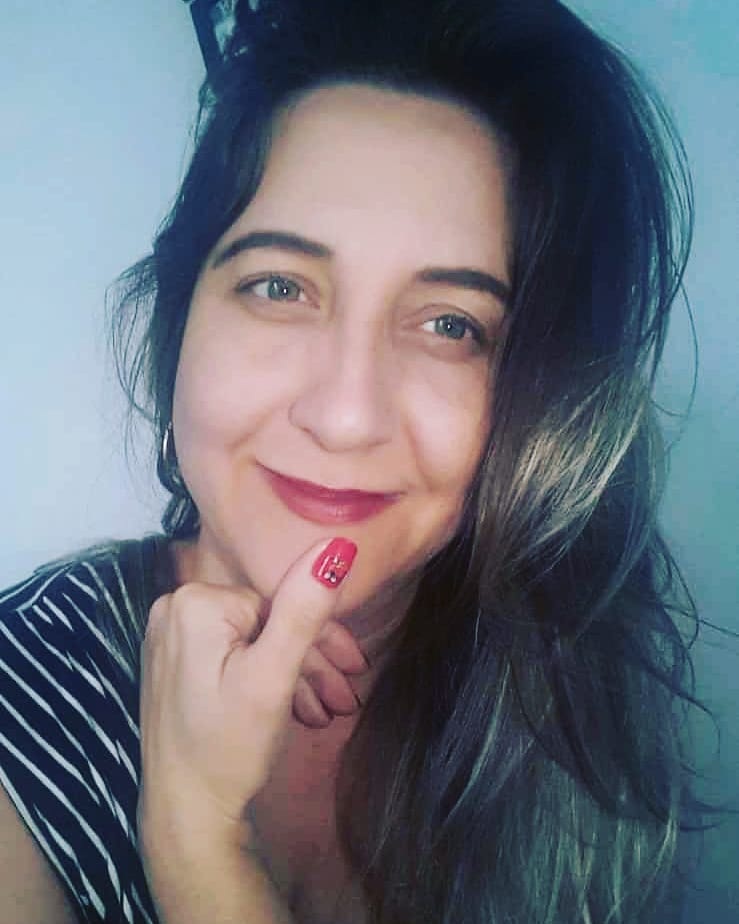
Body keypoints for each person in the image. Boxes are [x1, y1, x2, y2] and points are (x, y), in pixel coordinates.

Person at [0, 0, 704, 921]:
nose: (344, 417)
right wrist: (191, 835)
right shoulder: (22, 706)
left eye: (451, 325)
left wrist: (199, 853)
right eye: (279, 287)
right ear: (178, 329)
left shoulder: (563, 692)